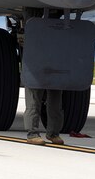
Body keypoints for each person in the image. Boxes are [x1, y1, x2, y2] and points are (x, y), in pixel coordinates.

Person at [23, 11, 65, 145]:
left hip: (54, 61)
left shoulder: (57, 26)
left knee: (55, 100)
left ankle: (53, 133)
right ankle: (32, 133)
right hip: (36, 62)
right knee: (34, 100)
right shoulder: (34, 25)